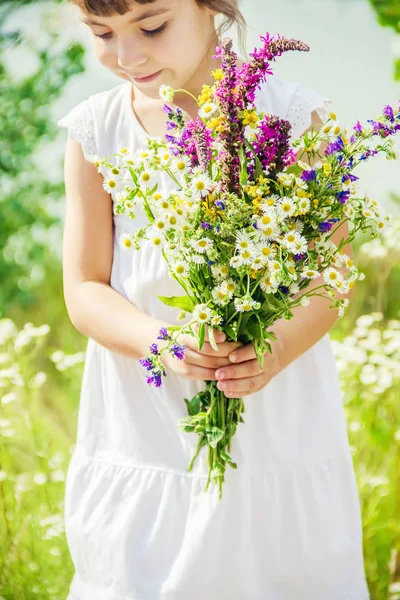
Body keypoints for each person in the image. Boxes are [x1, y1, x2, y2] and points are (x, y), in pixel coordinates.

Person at [57, 0, 370, 598]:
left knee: (273, 568)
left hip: (274, 421)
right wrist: (163, 342)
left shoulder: (292, 115)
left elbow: (334, 275)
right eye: (102, 33)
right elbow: (85, 288)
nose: (128, 56)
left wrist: (274, 350)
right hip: (146, 424)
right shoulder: (98, 130)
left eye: (152, 26)